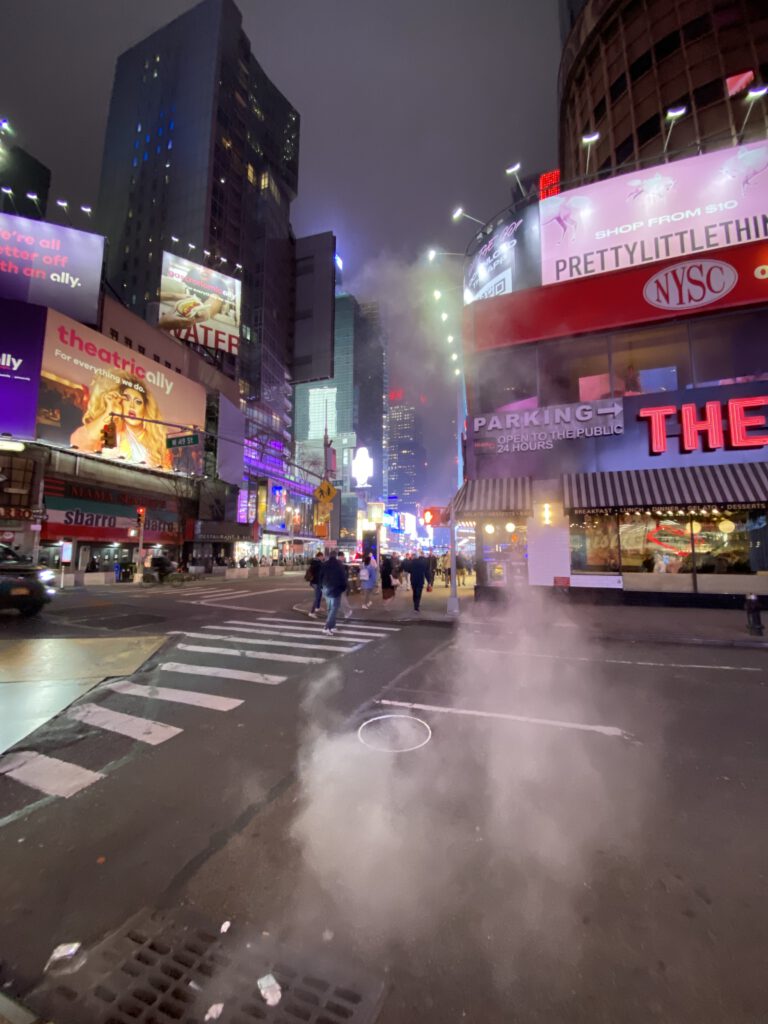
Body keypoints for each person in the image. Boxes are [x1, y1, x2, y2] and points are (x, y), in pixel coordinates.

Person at [70, 374, 172, 470]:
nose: (132, 406)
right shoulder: (111, 429)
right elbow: (79, 442)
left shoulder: (157, 444)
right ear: (121, 402)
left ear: (145, 408)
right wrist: (109, 412)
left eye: (138, 402)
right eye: (126, 399)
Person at [319, 550, 347, 635]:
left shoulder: (325, 564)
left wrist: (321, 587)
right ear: (336, 556)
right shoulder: (339, 565)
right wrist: (343, 588)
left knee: (330, 608)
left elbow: (320, 576)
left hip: (326, 588)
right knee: (334, 608)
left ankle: (333, 626)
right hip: (336, 589)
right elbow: (343, 578)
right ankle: (327, 627)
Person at [306, 550, 324, 618]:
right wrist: (321, 563)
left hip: (317, 582)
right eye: (322, 556)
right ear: (319, 556)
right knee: (317, 597)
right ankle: (312, 612)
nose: (323, 558)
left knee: (319, 595)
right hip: (316, 582)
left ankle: (317, 607)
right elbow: (317, 571)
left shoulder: (317, 562)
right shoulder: (316, 563)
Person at [336, 552, 354, 619]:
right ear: (341, 556)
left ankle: (345, 611)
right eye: (343, 556)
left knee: (340, 599)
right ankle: (347, 611)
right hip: (341, 584)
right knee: (343, 599)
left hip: (337, 585)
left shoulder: (338, 564)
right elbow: (344, 576)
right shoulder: (340, 565)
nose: (344, 558)